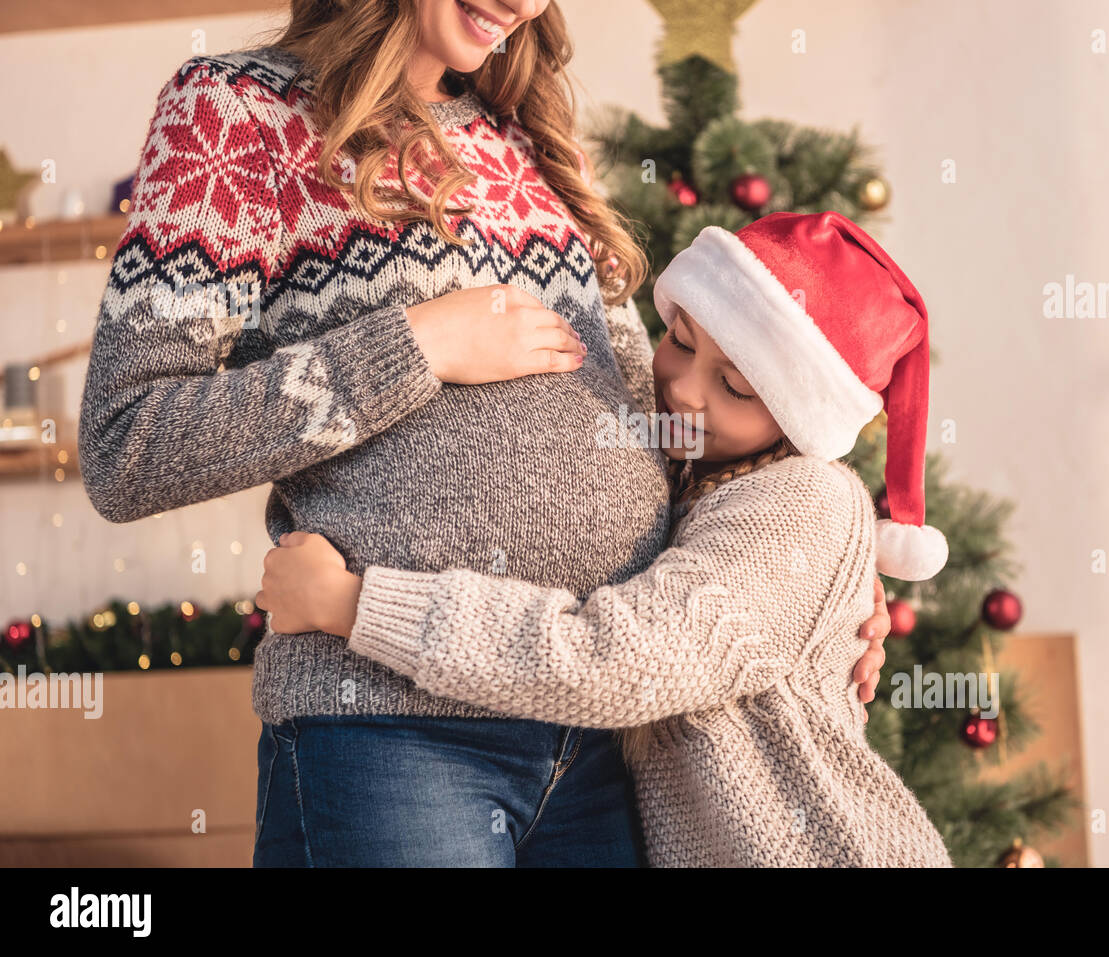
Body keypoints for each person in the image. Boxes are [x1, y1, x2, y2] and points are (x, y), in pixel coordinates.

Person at [79, 0, 889, 867]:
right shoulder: (236, 111)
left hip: (610, 744)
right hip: (391, 728)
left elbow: (651, 434)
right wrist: (417, 344)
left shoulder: (536, 140)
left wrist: (814, 576)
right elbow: (128, 446)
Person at [258, 211, 953, 866]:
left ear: (801, 419)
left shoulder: (802, 501)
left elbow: (620, 660)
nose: (682, 388)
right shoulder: (699, 471)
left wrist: (355, 604)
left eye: (735, 385)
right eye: (681, 340)